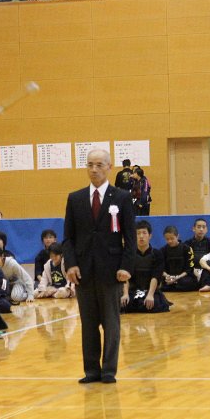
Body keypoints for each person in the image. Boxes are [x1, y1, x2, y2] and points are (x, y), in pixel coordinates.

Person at [63, 148, 136, 384]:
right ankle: (91, 370)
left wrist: (126, 267)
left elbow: (130, 237)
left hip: (111, 270)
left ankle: (108, 370)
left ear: (109, 167)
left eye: (99, 165)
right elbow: (68, 238)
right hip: (83, 271)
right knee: (88, 324)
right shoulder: (75, 198)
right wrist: (71, 264)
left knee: (111, 324)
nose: (94, 169)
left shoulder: (122, 197)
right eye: (90, 165)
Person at [122, 221, 170, 313]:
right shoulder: (129, 255)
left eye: (144, 233)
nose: (141, 236)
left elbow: (156, 276)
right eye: (138, 233)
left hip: (150, 290)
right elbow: (125, 277)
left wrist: (150, 295)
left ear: (150, 236)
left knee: (154, 304)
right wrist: (125, 294)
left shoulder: (157, 254)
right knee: (124, 304)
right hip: (133, 290)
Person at [159, 225, 197, 292]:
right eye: (167, 239)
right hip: (169, 277)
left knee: (188, 282)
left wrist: (177, 278)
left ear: (177, 236)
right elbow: (160, 268)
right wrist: (168, 276)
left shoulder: (187, 249)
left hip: (182, 277)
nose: (170, 241)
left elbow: (189, 269)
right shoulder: (162, 250)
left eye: (172, 238)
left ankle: (173, 285)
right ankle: (173, 285)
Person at [188, 218, 210, 291]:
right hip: (193, 270)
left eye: (203, 227)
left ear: (206, 229)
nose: (201, 229)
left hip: (206, 269)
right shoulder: (187, 243)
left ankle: (208, 285)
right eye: (199, 227)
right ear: (193, 229)